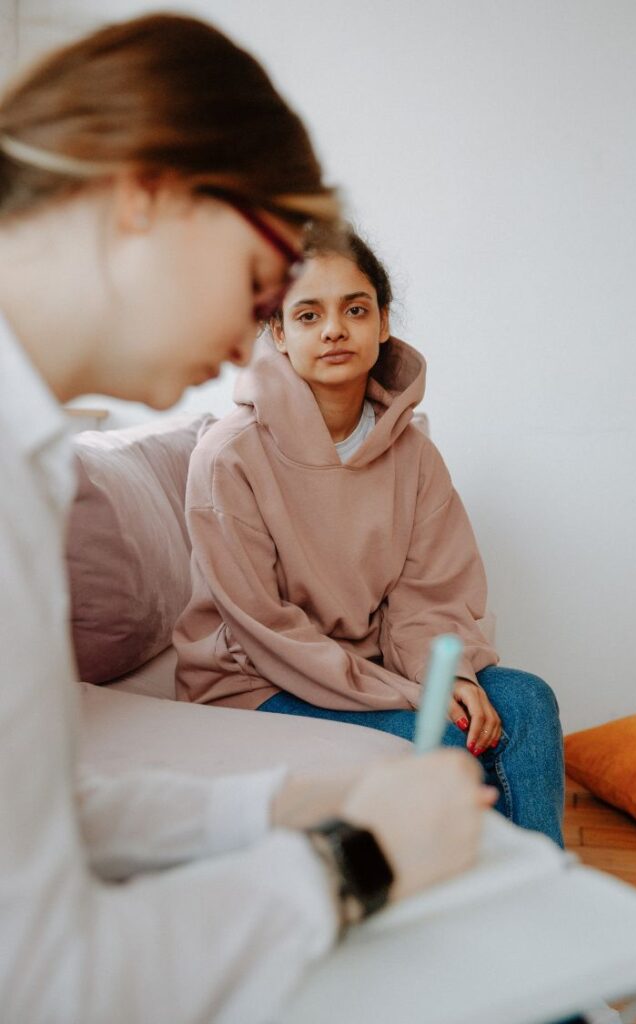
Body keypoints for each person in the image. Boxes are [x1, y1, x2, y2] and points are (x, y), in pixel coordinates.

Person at [0, 15, 497, 1023]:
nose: (248, 342)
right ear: (147, 194)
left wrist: (277, 805)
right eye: (264, 284)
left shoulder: (30, 460)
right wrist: (353, 861)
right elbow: (39, 978)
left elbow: (34, 816)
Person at [174, 225, 566, 848]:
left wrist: (454, 677)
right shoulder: (228, 457)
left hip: (374, 667)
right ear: (277, 332)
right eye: (308, 313)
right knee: (443, 739)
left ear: (382, 323)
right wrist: (416, 696)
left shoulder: (414, 455)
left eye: (355, 309)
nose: (334, 329)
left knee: (526, 702)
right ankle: (475, 906)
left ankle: (542, 895)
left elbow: (429, 596)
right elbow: (264, 628)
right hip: (257, 683)